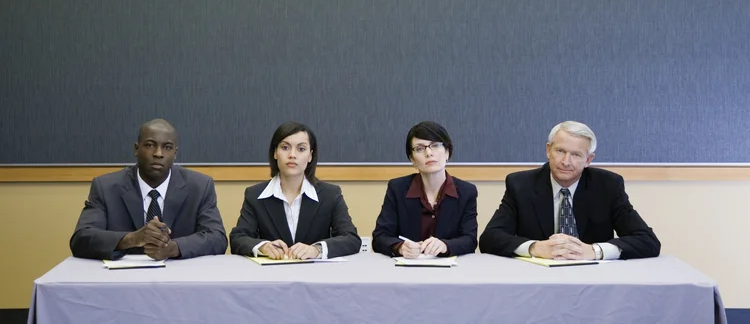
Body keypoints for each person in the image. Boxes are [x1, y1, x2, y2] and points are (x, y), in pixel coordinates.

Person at [479, 121, 660, 260]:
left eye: (576, 155)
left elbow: (648, 241)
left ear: (589, 160)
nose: (566, 161)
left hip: (594, 279)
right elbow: (489, 239)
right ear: (548, 150)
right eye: (560, 151)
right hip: (537, 279)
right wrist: (535, 248)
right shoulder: (520, 184)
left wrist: (594, 251)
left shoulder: (608, 185)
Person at [70, 119, 228, 260]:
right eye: (150, 145)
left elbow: (217, 238)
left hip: (180, 281)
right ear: (136, 149)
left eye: (167, 147)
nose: (158, 153)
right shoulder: (106, 187)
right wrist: (133, 239)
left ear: (175, 154)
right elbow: (81, 239)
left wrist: (173, 248)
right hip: (122, 281)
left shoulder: (199, 186)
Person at [230, 122, 361, 259]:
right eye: (285, 147)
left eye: (301, 149)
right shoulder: (255, 195)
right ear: (275, 153)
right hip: (271, 276)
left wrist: (316, 250)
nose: (292, 155)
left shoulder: (330, 194)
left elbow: (351, 238)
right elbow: (238, 238)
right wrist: (263, 246)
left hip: (316, 275)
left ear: (310, 156)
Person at [372, 121, 478, 258]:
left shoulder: (466, 192)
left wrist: (445, 245)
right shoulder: (397, 189)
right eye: (420, 149)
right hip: (406, 270)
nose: (428, 153)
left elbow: (470, 240)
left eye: (435, 146)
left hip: (450, 272)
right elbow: (380, 237)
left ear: (447, 152)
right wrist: (400, 247)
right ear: (412, 160)